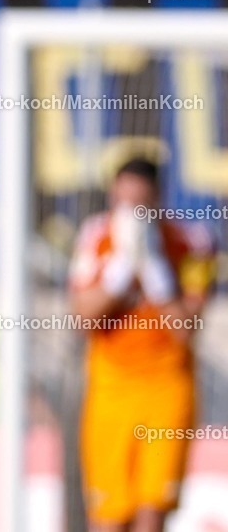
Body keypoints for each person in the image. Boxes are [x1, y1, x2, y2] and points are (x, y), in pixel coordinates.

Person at [70, 157, 214, 532]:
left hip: (167, 388)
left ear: (157, 198)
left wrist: (155, 270)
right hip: (111, 389)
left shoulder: (191, 241)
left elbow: (186, 329)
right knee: (109, 516)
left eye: (140, 203)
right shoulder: (95, 237)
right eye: (124, 201)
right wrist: (119, 272)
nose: (132, 212)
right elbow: (82, 318)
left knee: (152, 513)